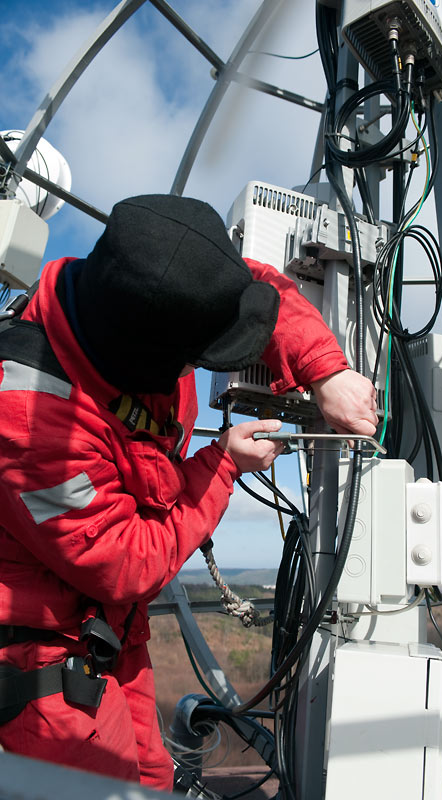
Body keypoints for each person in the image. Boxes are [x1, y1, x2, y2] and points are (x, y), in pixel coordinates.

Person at [0, 194, 377, 790]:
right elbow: (126, 561)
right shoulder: (31, 421)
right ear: (147, 363)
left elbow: (246, 287)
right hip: (44, 655)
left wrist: (325, 369)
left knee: (152, 780)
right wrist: (222, 465)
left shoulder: (143, 280)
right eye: (194, 361)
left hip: (112, 634)